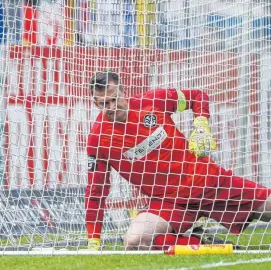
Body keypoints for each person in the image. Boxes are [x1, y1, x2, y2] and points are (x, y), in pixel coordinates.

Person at [85, 71, 271, 251]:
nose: (111, 108)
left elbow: (197, 96)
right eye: (104, 104)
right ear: (95, 103)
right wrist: (93, 239)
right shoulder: (98, 139)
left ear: (122, 90)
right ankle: (199, 241)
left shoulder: (153, 100)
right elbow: (96, 191)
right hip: (168, 203)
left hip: (206, 182)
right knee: (134, 241)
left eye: (114, 99)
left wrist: (201, 124)